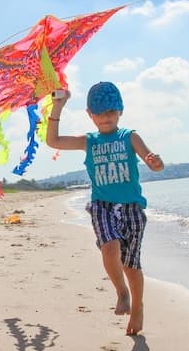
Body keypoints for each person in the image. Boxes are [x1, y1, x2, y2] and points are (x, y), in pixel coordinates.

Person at [45, 82, 164, 335]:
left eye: (111, 111)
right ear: (90, 114)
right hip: (103, 206)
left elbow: (153, 162)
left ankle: (138, 307)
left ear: (120, 111)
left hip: (132, 208)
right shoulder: (88, 141)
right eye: (99, 113)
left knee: (131, 265)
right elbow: (53, 140)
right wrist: (58, 105)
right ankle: (122, 293)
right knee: (109, 247)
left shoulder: (129, 136)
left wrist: (156, 163)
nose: (105, 117)